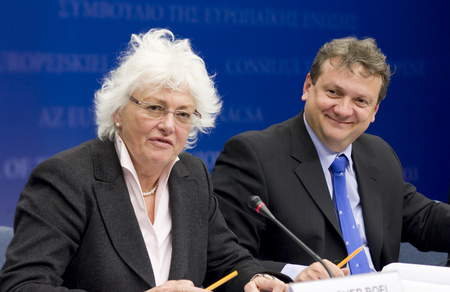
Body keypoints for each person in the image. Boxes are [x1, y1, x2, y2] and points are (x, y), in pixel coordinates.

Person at [0, 28, 290, 292]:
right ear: (118, 112)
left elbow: (227, 259)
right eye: (154, 107)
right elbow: (23, 285)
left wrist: (254, 279)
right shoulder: (66, 178)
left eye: (183, 114)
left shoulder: (192, 175)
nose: (168, 125)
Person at [212, 36, 450, 281]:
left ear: (374, 111)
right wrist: (295, 275)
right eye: (334, 92)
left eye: (360, 101)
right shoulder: (253, 155)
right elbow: (223, 261)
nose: (344, 109)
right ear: (308, 87)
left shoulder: (379, 154)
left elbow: (424, 219)